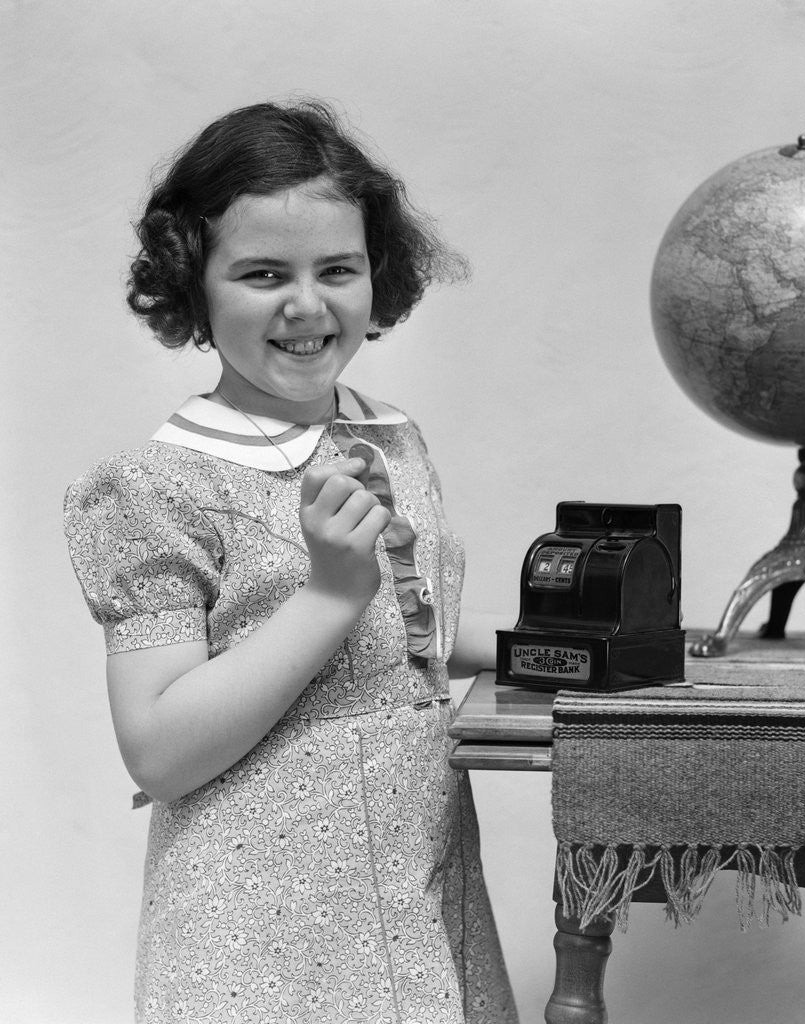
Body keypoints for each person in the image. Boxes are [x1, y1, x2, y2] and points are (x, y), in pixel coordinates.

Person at [64, 100, 518, 1024]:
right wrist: (328, 595)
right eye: (263, 273)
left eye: (337, 270)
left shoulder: (390, 436)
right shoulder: (154, 487)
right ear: (193, 286)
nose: (307, 306)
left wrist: (570, 648)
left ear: (375, 275)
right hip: (261, 923)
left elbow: (410, 635)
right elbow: (158, 752)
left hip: (417, 882)